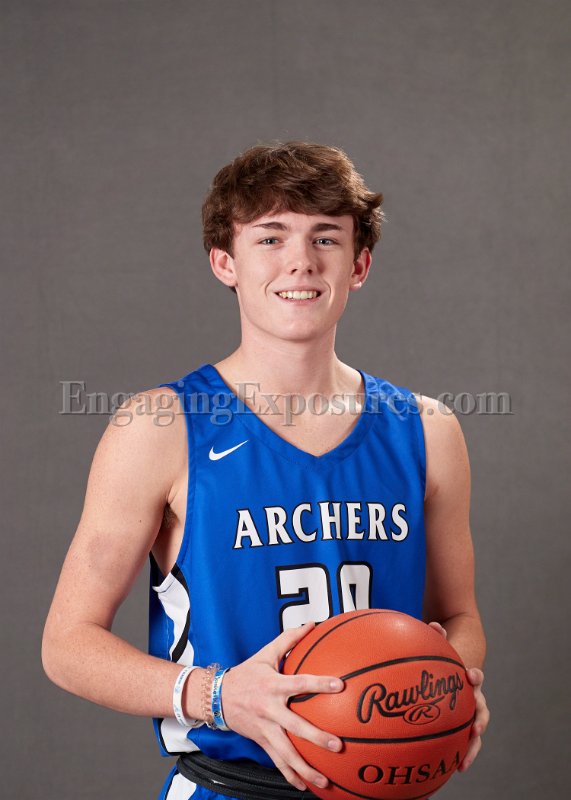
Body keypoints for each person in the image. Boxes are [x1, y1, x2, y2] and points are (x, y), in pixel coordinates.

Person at [42, 141, 489, 800]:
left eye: (326, 238)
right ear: (225, 261)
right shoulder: (160, 427)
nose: (300, 261)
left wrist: (449, 686)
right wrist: (217, 695)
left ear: (359, 264)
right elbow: (67, 644)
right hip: (229, 787)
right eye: (270, 237)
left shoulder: (427, 429)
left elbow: (459, 617)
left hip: (382, 785)